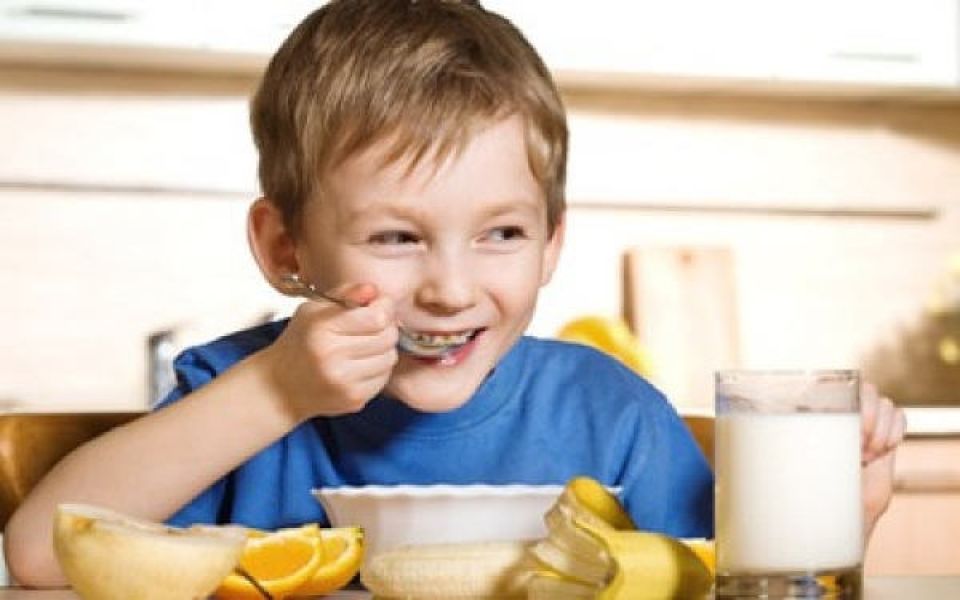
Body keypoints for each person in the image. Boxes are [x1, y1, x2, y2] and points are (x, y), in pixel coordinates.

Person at [4, 0, 906, 587]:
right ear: (285, 247)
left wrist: (837, 513)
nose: (449, 288)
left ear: (552, 244)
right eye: (396, 238)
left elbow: (728, 583)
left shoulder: (612, 414)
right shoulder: (240, 394)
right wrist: (276, 391)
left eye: (501, 234)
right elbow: (40, 555)